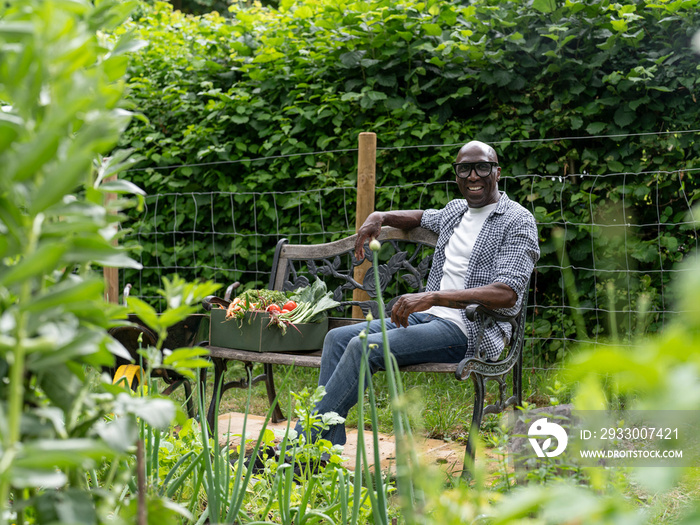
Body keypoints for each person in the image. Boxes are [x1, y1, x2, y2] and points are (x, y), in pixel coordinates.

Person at [295, 140, 540, 447]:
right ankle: (319, 449)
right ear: (456, 175)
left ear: (497, 172)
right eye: (464, 169)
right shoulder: (455, 212)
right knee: (337, 339)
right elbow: (420, 218)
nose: (473, 176)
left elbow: (507, 293)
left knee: (364, 349)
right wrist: (379, 217)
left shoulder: (517, 220)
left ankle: (300, 447)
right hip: (432, 319)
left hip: (470, 330)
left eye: (482, 167)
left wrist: (434, 296)